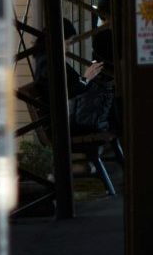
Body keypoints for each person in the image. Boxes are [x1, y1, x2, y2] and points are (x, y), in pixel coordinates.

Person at [31, 19, 123, 163]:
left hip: (68, 119)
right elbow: (63, 93)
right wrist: (85, 79)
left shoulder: (47, 60)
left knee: (115, 104)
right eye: (67, 43)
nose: (68, 48)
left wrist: (86, 78)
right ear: (56, 40)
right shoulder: (49, 64)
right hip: (65, 124)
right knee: (117, 108)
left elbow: (69, 87)